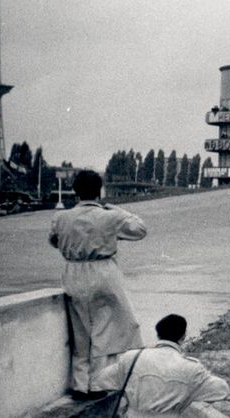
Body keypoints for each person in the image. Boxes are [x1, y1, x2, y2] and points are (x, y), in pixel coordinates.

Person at [49, 170, 147, 399]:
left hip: (73, 271)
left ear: (75, 191)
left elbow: (54, 241)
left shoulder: (61, 217)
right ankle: (99, 383)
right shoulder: (109, 216)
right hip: (102, 271)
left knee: (81, 329)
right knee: (106, 328)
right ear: (99, 190)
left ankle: (80, 384)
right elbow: (140, 230)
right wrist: (119, 212)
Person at [96, 314, 229, 416]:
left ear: (158, 334)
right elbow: (221, 390)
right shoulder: (191, 367)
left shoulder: (131, 357)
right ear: (183, 337)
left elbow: (102, 380)